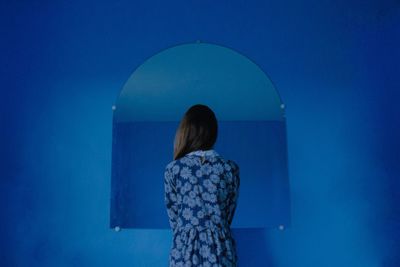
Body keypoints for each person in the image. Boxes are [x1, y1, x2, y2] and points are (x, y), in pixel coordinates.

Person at [164, 104, 240, 267]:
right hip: (221, 250)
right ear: (213, 132)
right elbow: (227, 214)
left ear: (185, 132)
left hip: (184, 251)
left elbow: (174, 217)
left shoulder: (174, 169)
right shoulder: (229, 168)